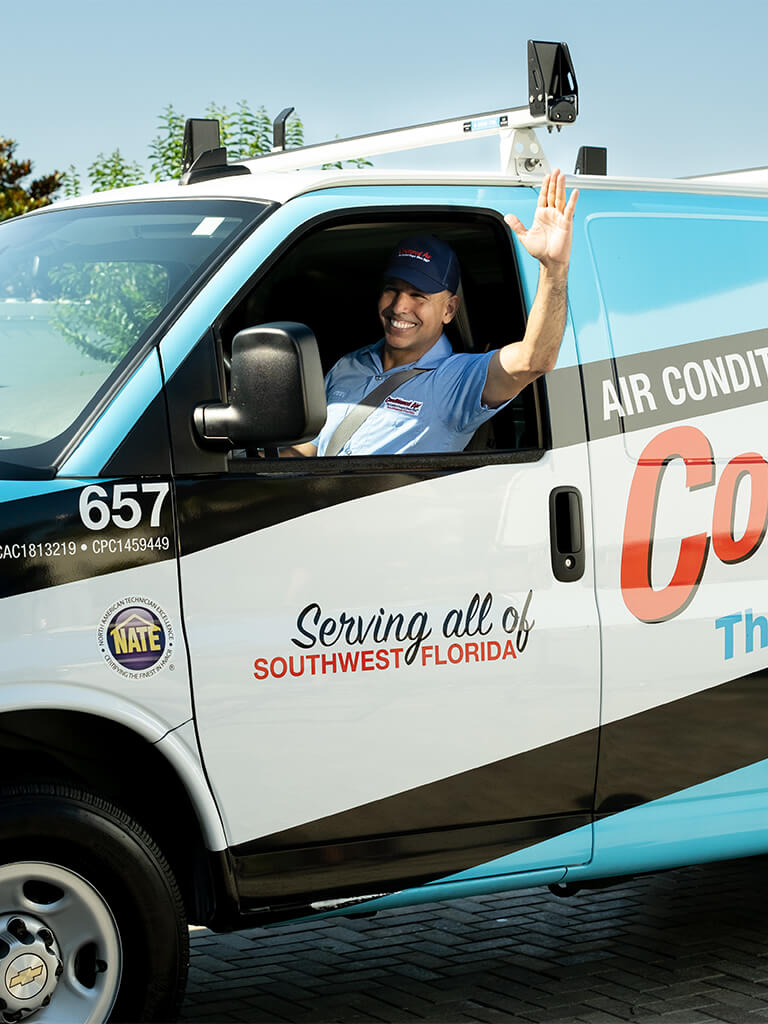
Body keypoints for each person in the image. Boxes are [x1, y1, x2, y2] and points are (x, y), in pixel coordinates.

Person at [287, 168, 578, 457]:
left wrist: (553, 269)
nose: (400, 306)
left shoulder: (457, 378)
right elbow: (308, 452)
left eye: (418, 295)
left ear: (449, 310)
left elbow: (534, 360)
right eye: (393, 289)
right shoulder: (349, 365)